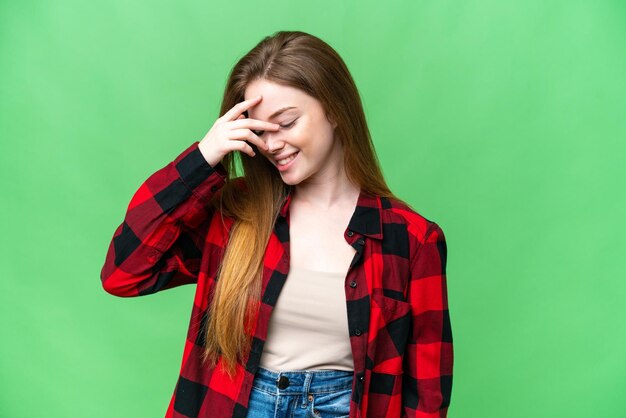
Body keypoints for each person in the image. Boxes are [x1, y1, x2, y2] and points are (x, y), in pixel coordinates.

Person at [100, 30, 453, 418]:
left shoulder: (412, 240)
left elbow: (426, 398)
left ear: (334, 109)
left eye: (285, 122)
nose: (271, 144)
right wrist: (203, 158)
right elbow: (123, 273)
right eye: (259, 130)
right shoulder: (236, 215)